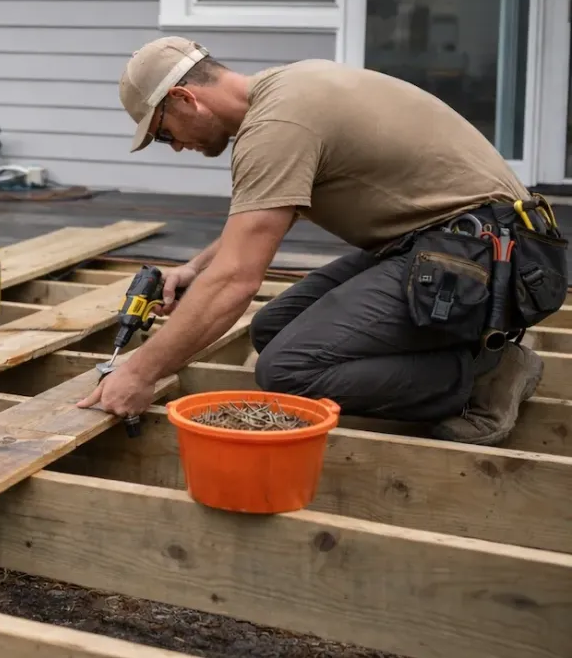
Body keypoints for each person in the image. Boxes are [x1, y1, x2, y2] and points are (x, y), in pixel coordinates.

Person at [78, 36, 568, 446]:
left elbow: (237, 281)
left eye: (165, 134)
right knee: (272, 330)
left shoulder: (276, 126)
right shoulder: (287, 89)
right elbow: (265, 217)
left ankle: (484, 377)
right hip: (457, 249)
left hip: (490, 263)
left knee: (288, 371)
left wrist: (140, 372)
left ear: (185, 99)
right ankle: (453, 363)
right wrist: (193, 270)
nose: (178, 147)